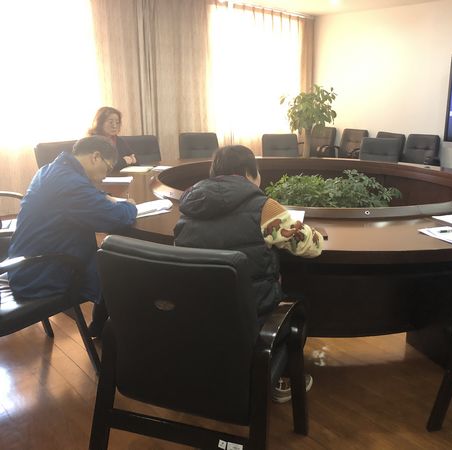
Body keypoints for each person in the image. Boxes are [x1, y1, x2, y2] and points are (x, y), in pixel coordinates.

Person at [174, 145, 324, 402]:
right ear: (249, 173)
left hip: (198, 315)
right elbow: (312, 246)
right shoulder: (265, 208)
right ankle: (278, 375)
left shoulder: (189, 205)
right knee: (299, 305)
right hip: (251, 318)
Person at [8, 135, 138, 335]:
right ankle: (115, 337)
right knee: (122, 268)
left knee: (111, 261)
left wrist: (104, 197)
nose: (105, 176)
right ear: (95, 157)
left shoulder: (53, 170)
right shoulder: (70, 183)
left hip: (24, 264)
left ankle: (99, 327)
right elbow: (114, 218)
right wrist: (131, 207)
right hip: (40, 275)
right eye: (108, 167)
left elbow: (85, 196)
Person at [88, 106, 136, 172]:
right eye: (111, 122)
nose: (114, 126)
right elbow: (103, 166)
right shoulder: (92, 141)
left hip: (121, 176)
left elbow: (133, 158)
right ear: (100, 123)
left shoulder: (119, 140)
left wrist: (132, 160)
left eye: (117, 122)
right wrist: (124, 161)